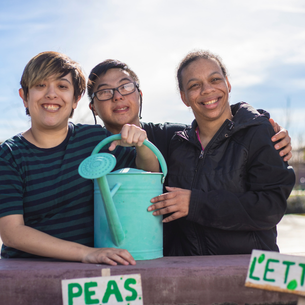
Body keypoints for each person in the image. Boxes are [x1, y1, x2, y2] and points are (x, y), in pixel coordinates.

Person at [0, 51, 159, 266]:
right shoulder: (9, 155)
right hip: (28, 271)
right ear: (24, 96)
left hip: (90, 275)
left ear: (75, 99)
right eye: (40, 85)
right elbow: (12, 232)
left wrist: (142, 146)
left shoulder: (96, 140)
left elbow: (147, 175)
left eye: (62, 87)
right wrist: (86, 253)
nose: (51, 94)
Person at [147, 50, 295, 256]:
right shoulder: (177, 144)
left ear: (228, 84)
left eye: (215, 79)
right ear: (184, 98)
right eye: (194, 85)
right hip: (189, 275)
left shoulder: (259, 132)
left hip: (248, 271)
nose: (207, 90)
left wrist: (196, 204)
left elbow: (270, 208)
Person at [87, 60, 292, 166]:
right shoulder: (83, 145)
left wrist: (264, 127)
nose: (117, 97)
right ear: (93, 107)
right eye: (104, 92)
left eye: (125, 87)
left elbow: (222, 132)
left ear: (139, 95)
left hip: (173, 247)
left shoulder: (174, 137)